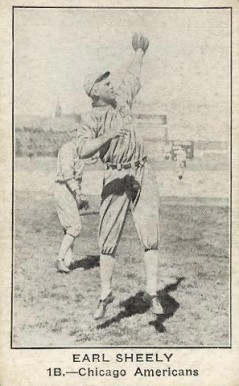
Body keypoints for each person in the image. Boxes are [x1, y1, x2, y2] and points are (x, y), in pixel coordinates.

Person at [76, 33, 163, 319]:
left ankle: (152, 292)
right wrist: (110, 135)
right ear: (95, 92)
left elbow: (131, 76)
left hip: (141, 171)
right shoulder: (91, 118)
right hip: (115, 178)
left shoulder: (122, 100)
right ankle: (105, 295)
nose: (113, 85)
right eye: (106, 83)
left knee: (150, 234)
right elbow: (84, 150)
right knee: (108, 240)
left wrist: (139, 52)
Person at [54, 125, 89, 273]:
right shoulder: (68, 149)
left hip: (68, 189)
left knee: (69, 227)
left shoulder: (78, 150)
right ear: (75, 135)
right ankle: (60, 260)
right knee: (75, 226)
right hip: (63, 189)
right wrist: (79, 194)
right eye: (83, 136)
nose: (86, 139)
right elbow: (68, 175)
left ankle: (67, 263)